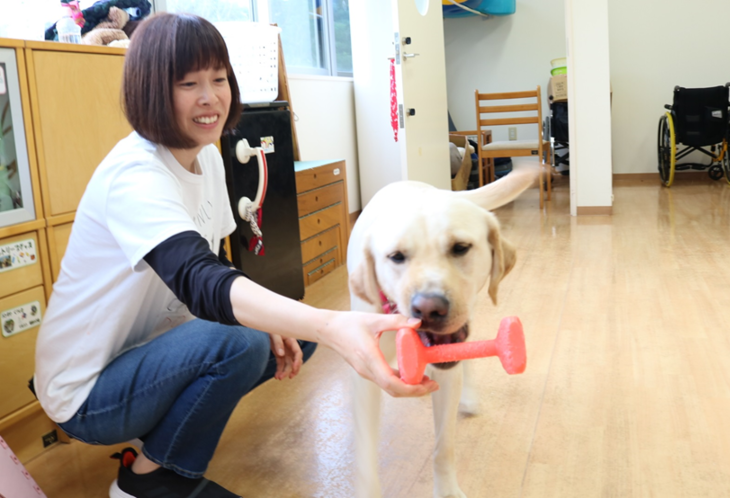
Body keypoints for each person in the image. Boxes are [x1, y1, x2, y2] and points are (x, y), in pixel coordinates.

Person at [33, 12, 438, 498]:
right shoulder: (134, 175)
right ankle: (148, 481)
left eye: (219, 79)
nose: (211, 98)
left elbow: (217, 261)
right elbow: (198, 277)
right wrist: (331, 325)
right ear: (151, 91)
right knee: (247, 341)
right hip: (87, 392)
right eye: (188, 83)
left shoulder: (204, 155)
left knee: (288, 332)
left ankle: (159, 434)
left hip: (146, 354)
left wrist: (292, 323)